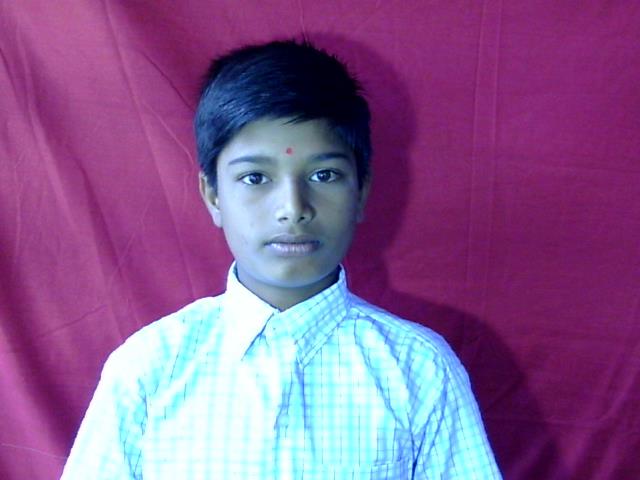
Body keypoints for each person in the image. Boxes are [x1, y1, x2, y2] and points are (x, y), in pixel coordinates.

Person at [61, 40, 501, 479]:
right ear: (213, 195)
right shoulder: (150, 369)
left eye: (324, 175)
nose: (293, 208)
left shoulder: (419, 370)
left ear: (362, 192)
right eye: (255, 178)